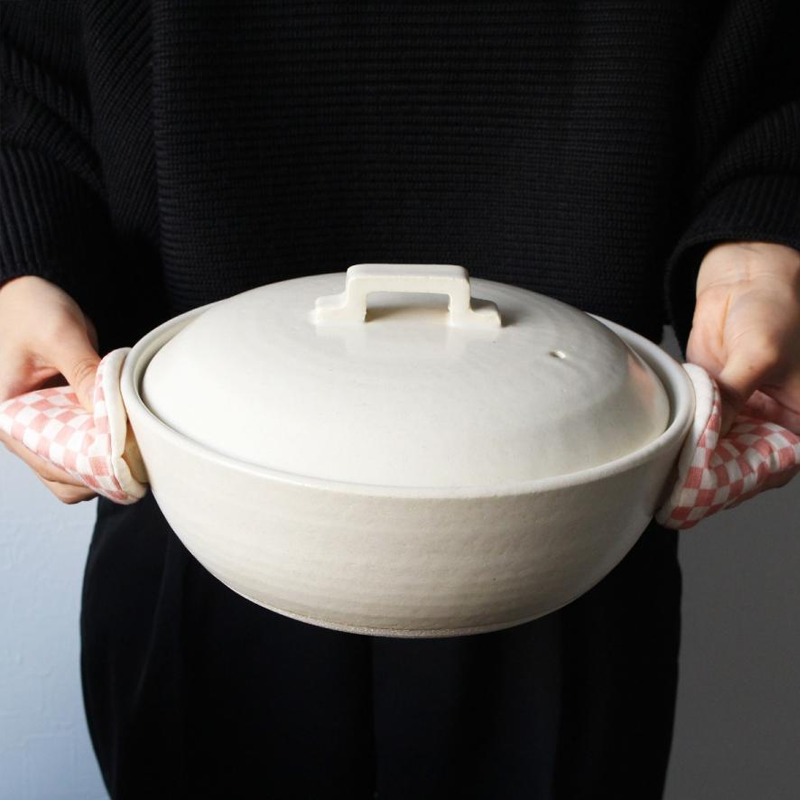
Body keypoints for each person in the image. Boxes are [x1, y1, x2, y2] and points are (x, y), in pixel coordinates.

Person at [1, 2, 798, 798]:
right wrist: (25, 256)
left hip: (576, 544)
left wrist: (767, 229)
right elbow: (26, 67)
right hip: (195, 516)